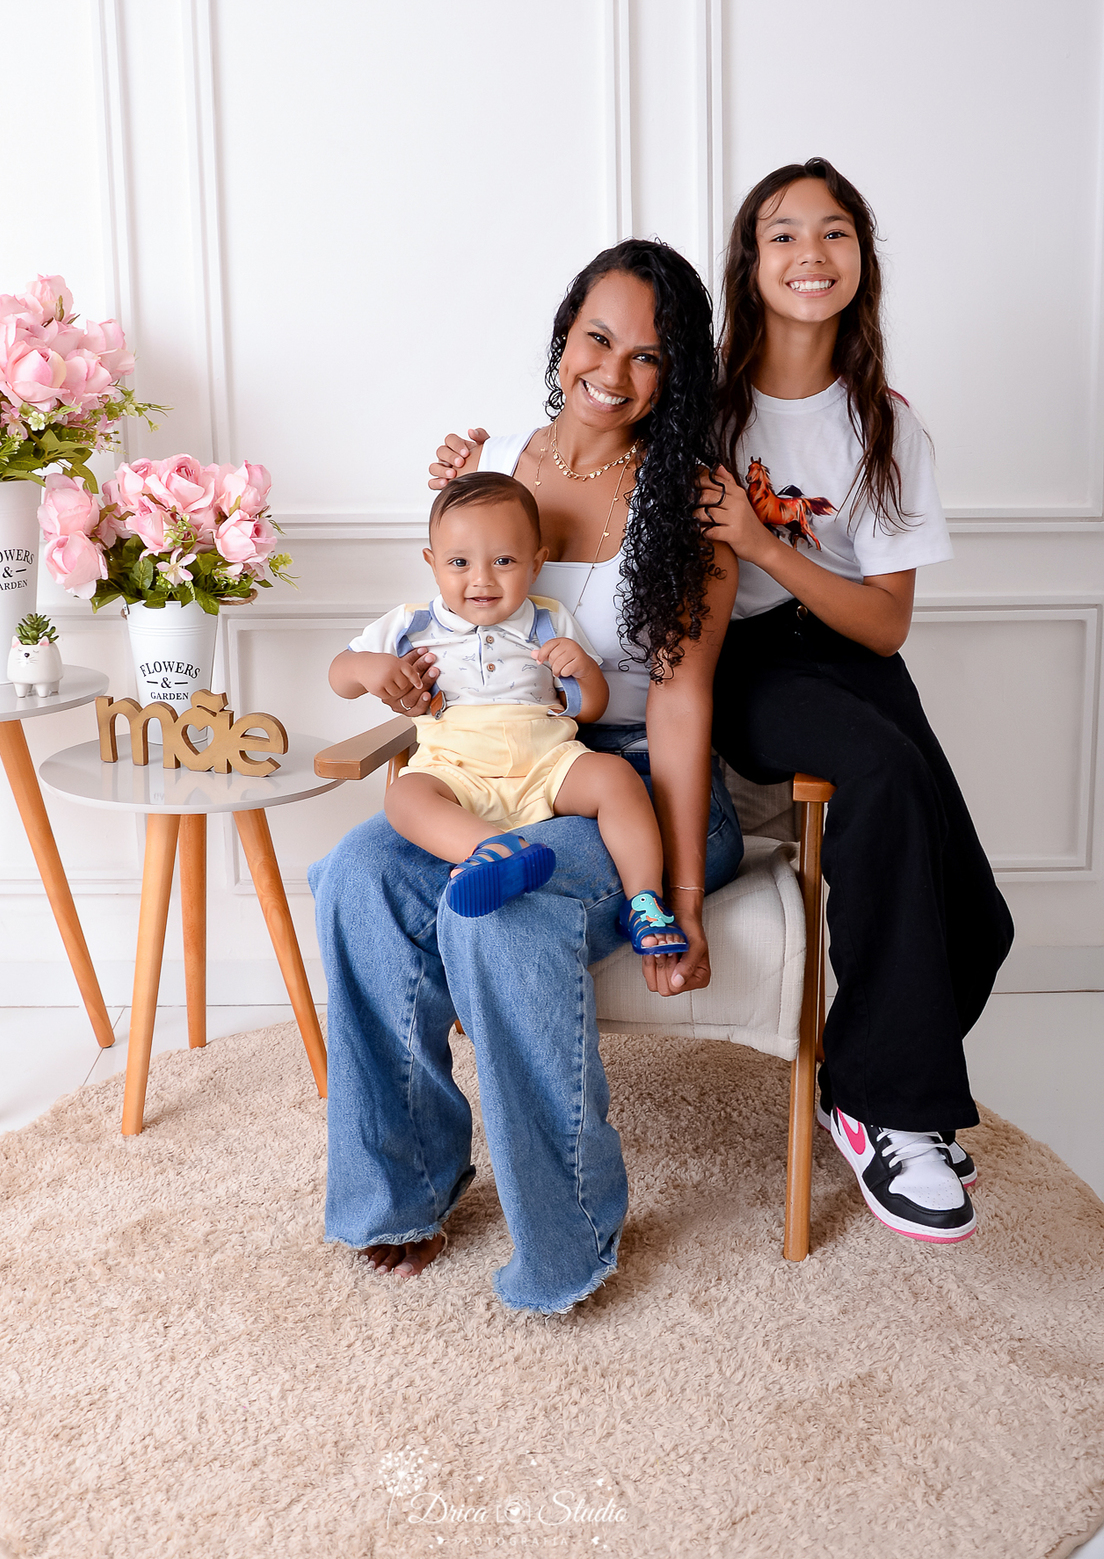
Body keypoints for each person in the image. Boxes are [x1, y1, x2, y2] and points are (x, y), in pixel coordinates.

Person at [308, 238, 742, 1310]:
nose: (615, 369)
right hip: (483, 771)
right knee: (362, 873)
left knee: (498, 917)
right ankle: (404, 1183)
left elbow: (682, 705)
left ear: (674, 376)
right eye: (599, 336)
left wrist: (678, 896)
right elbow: (444, 621)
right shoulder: (487, 456)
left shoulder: (688, 502)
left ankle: (572, 1234)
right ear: (563, 338)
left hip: (630, 784)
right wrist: (406, 688)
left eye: (650, 356)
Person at [703, 156, 1014, 1244]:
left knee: (983, 918)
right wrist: (474, 457)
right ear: (751, 262)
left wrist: (762, 542)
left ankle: (851, 1073)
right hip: (744, 662)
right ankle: (894, 1112)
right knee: (878, 776)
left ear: (861, 262)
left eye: (834, 233)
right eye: (783, 234)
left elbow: (885, 624)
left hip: (854, 655)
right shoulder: (705, 406)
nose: (809, 254)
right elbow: (582, 439)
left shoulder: (887, 424)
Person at [330, 469, 690, 952]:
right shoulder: (408, 624)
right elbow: (338, 676)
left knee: (617, 779)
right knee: (404, 797)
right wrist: (368, 667)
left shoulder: (548, 619)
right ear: (431, 563)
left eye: (503, 560)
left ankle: (645, 902)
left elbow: (589, 710)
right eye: (459, 562)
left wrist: (582, 670)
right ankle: (490, 851)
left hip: (546, 762)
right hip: (455, 770)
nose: (481, 580)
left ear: (536, 563)